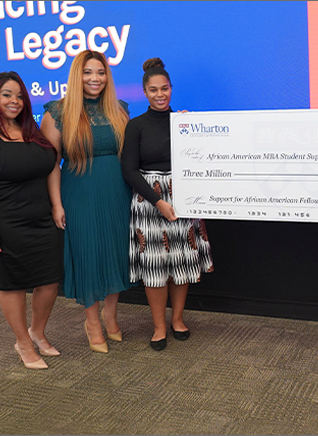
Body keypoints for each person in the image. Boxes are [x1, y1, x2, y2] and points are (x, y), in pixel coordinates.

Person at [0, 72, 64, 369]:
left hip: (42, 221)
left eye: (20, 96)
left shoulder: (34, 134)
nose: (15, 101)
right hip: (7, 225)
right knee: (12, 286)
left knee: (49, 282)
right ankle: (23, 342)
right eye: (7, 94)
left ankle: (37, 332)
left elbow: (51, 167)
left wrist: (57, 206)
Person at [40, 49, 135, 353]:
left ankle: (111, 315)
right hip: (79, 192)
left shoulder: (119, 109)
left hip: (117, 191)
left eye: (101, 72)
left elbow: (131, 153)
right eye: (88, 72)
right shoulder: (57, 111)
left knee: (115, 251)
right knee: (89, 253)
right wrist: (56, 204)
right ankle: (92, 322)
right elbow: (50, 164)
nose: (95, 79)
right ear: (76, 75)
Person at [120, 58, 214, 352]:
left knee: (182, 261)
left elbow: (203, 156)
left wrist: (192, 128)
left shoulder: (185, 122)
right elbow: (129, 171)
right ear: (144, 92)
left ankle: (178, 319)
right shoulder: (135, 126)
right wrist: (158, 201)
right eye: (153, 90)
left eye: (165, 89)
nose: (160, 95)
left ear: (171, 89)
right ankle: (159, 326)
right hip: (150, 201)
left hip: (184, 196)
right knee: (155, 266)